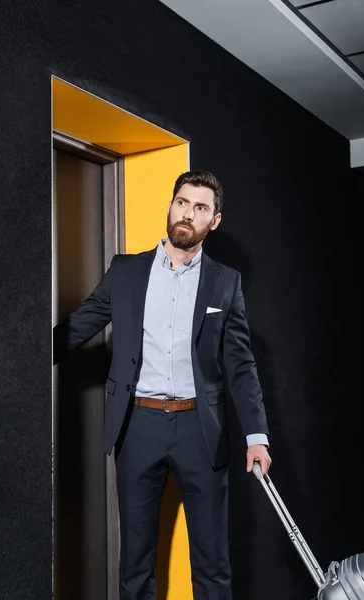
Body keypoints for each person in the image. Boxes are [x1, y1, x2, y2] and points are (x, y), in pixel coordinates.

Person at [54, 170, 271, 600]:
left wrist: (256, 436)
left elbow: (241, 365)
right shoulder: (126, 271)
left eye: (201, 208)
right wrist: (15, 359)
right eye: (183, 203)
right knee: (134, 562)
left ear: (215, 221)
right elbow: (79, 326)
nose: (188, 214)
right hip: (137, 427)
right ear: (171, 205)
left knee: (212, 564)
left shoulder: (225, 283)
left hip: (200, 430)